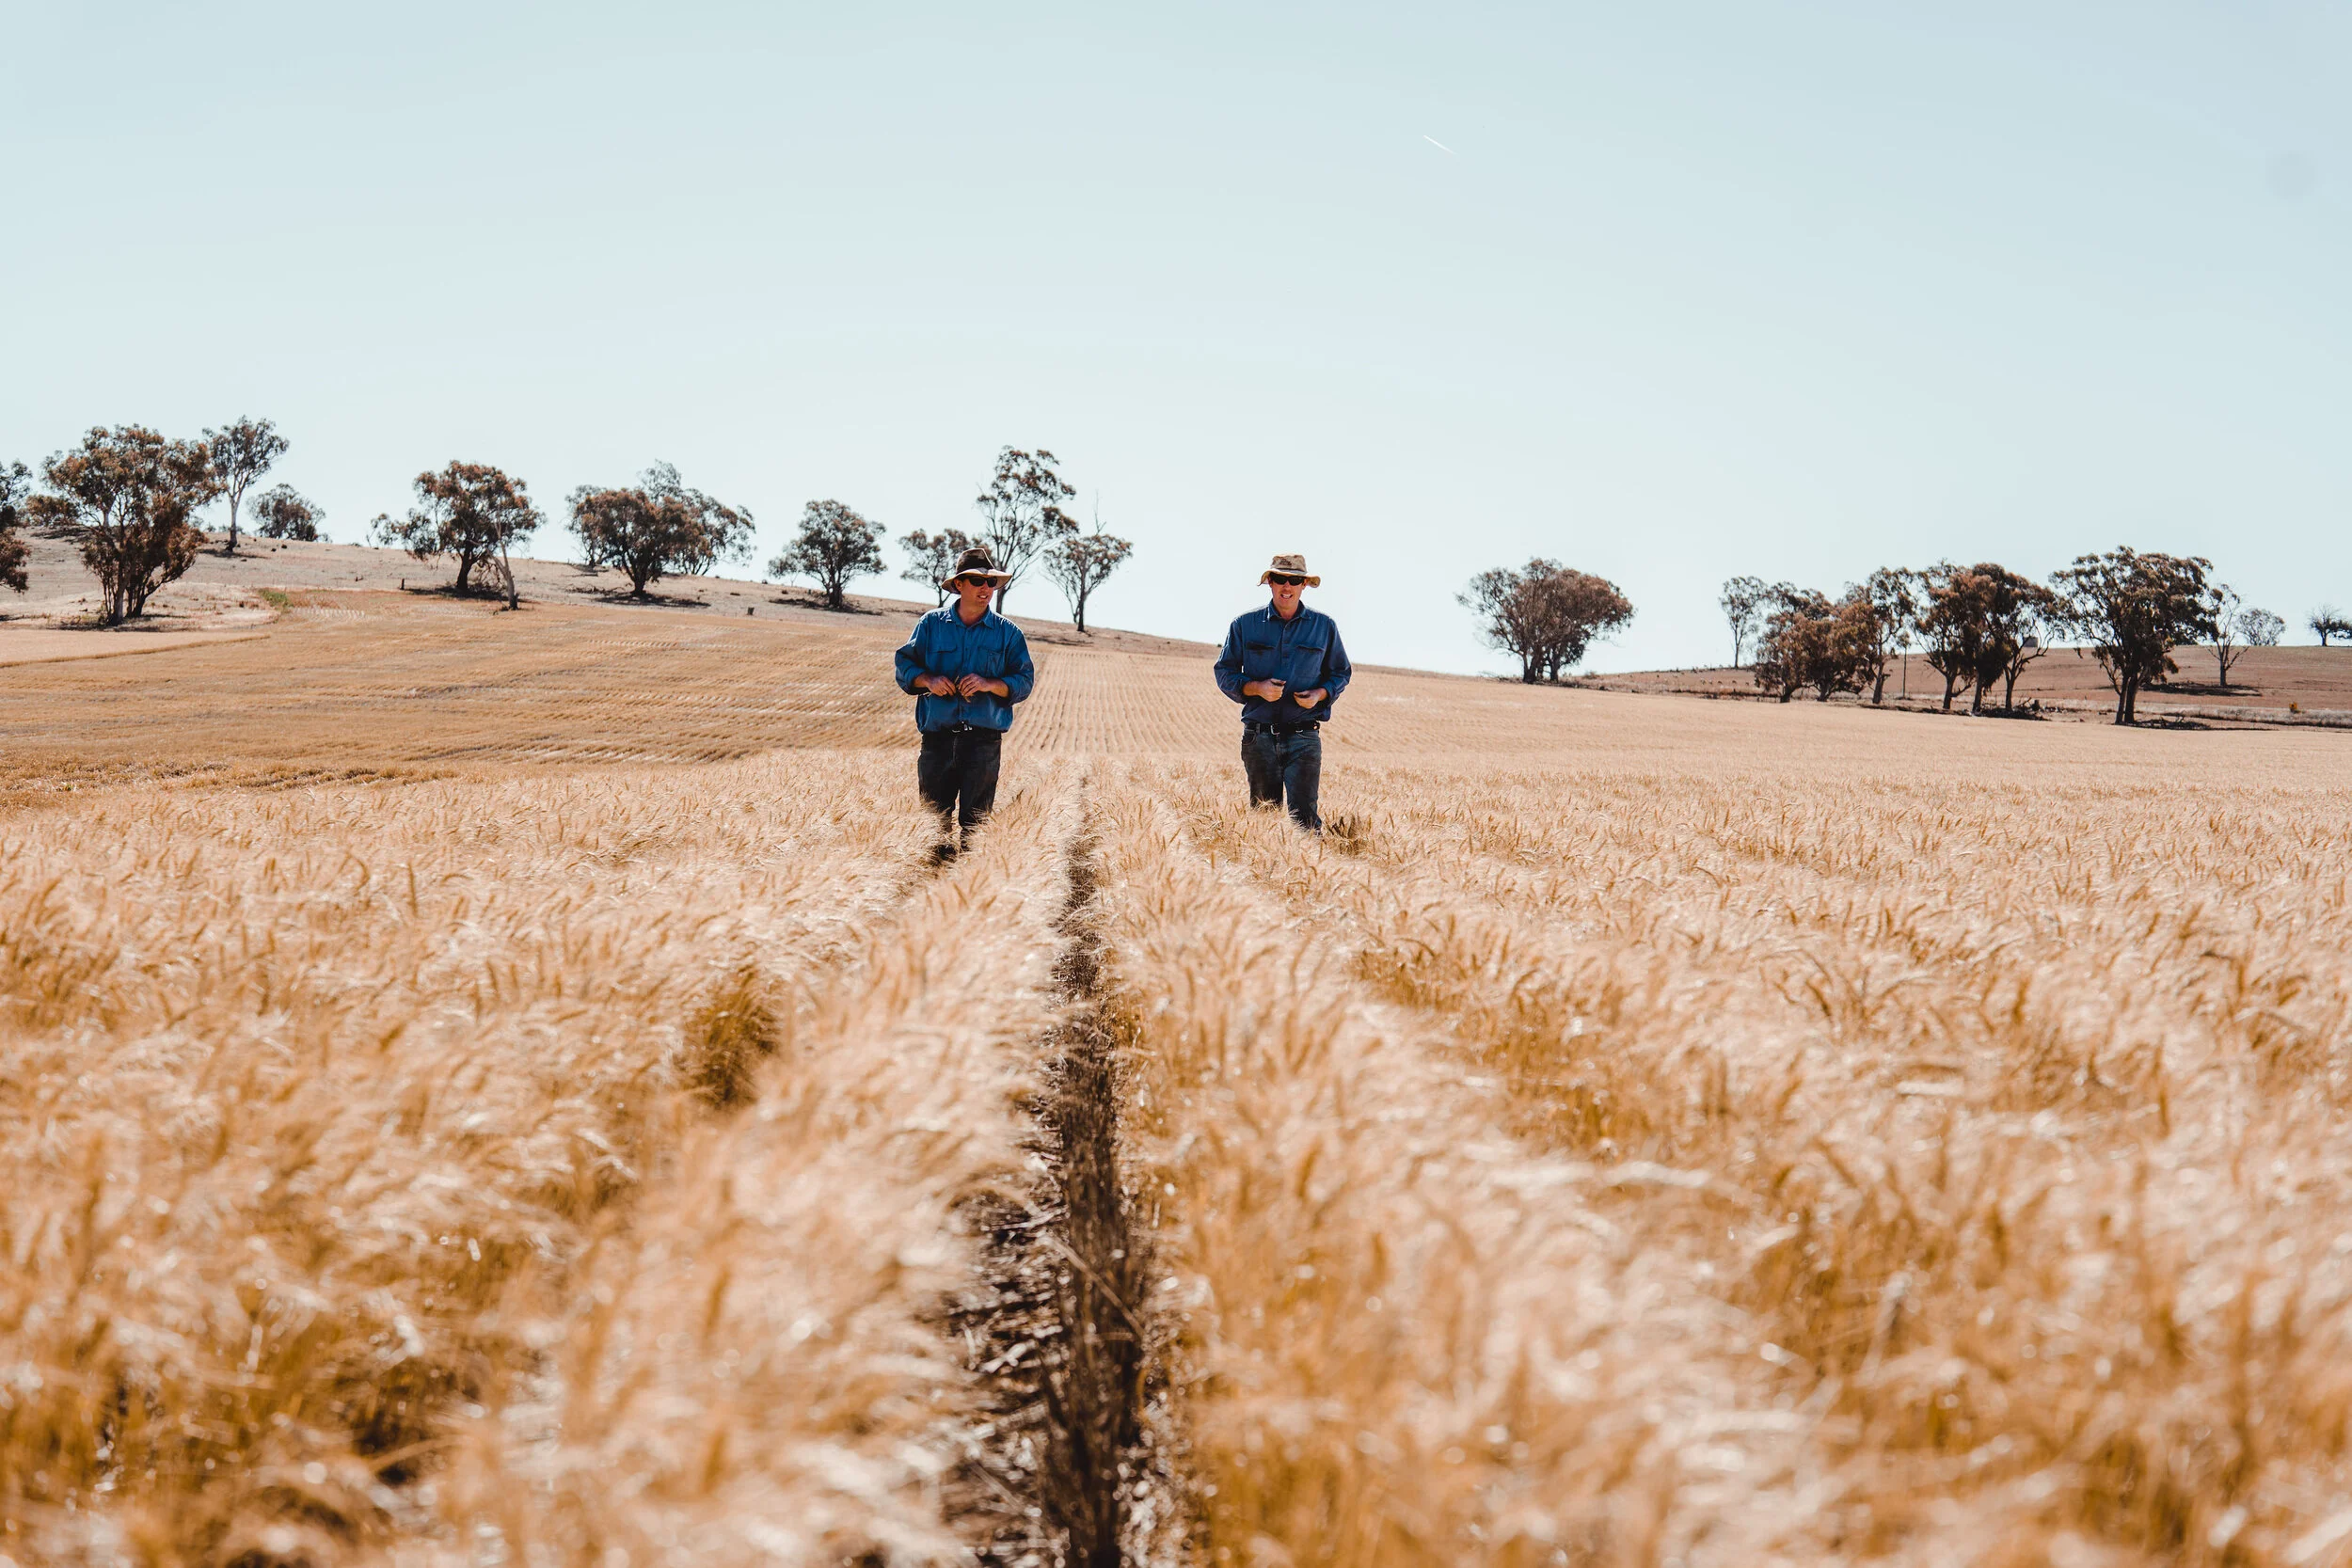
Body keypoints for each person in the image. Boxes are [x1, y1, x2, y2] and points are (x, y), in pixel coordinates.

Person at [894, 546, 1036, 856]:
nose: (986, 589)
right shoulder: (930, 625)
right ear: (958, 585)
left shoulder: (1008, 634)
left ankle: (969, 894)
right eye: (977, 581)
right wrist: (928, 680)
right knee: (933, 828)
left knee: (976, 831)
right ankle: (932, 889)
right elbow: (904, 666)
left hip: (983, 745)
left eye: (990, 583)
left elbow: (1024, 682)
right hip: (936, 742)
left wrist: (989, 684)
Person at [1212, 552, 1351, 832]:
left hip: (1304, 736)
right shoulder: (1244, 625)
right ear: (1270, 583)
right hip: (1258, 737)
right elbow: (1224, 672)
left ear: (1304, 585)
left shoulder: (1324, 627)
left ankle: (1313, 873)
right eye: (1279, 579)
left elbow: (1340, 673)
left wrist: (1320, 694)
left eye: (1294, 580)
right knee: (1264, 823)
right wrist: (1256, 689)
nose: (1286, 586)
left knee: (1306, 824)